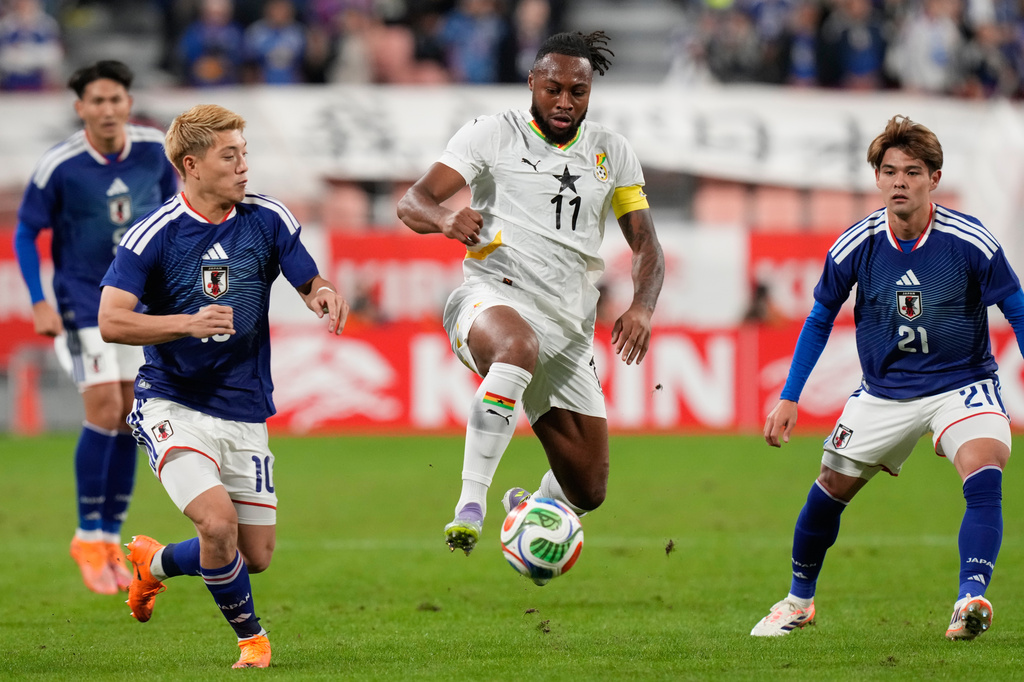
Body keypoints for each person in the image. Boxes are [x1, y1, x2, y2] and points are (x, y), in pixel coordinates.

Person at [396, 30, 664, 578]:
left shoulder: (612, 152)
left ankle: (528, 506)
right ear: (532, 83)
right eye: (553, 89)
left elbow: (646, 246)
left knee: (587, 489)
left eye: (577, 92)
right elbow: (412, 201)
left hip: (569, 328)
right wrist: (446, 218)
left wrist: (642, 305)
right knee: (516, 346)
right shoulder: (491, 134)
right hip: (492, 297)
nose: (564, 102)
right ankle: (470, 505)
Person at [751, 114, 1021, 641]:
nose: (900, 181)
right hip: (884, 392)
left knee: (985, 468)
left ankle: (969, 600)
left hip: (962, 382)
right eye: (890, 171)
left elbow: (1018, 310)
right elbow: (819, 318)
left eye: (912, 172)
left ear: (934, 179)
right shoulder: (856, 244)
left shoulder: (970, 240)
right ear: (877, 177)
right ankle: (798, 602)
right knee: (828, 490)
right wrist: (790, 396)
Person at [97, 104, 349, 668]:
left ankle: (154, 563)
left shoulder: (267, 217)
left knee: (253, 554)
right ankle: (252, 641)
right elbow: (111, 320)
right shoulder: (153, 234)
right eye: (229, 156)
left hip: (244, 407)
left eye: (244, 154)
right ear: (191, 165)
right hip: (173, 402)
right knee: (217, 524)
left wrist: (324, 294)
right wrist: (186, 323)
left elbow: (308, 279)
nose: (243, 167)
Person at [13, 59, 179, 595]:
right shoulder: (60, 165)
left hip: (140, 304)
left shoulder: (155, 150)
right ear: (80, 107)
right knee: (104, 407)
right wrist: (38, 301)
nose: (108, 109)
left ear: (129, 103)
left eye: (115, 99)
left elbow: (174, 215)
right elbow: (25, 232)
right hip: (82, 304)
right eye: (97, 101)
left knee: (131, 416)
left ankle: (109, 538)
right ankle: (86, 535)